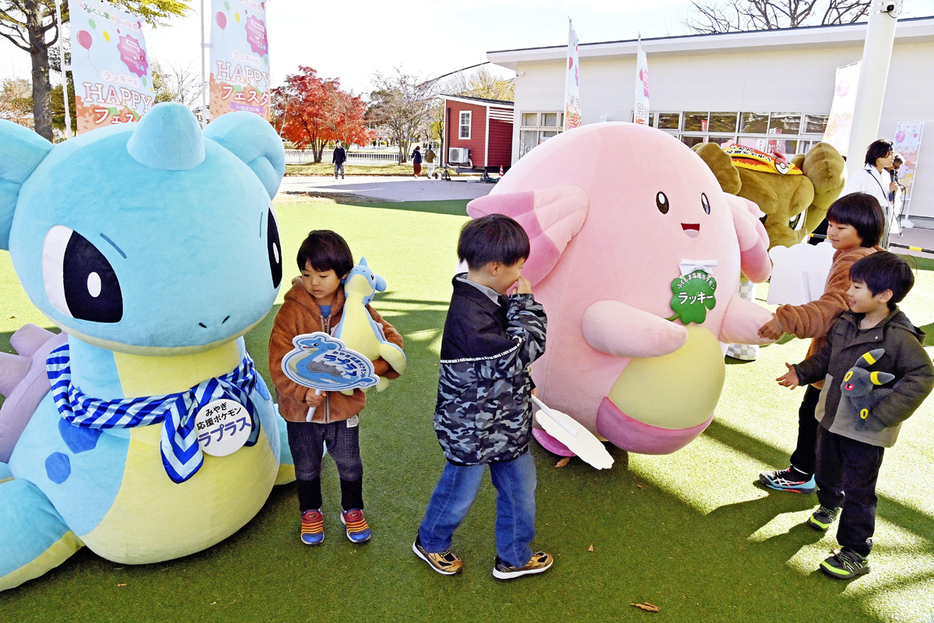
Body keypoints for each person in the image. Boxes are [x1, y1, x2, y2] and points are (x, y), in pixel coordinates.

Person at [776, 252, 933, 579]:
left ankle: (855, 552)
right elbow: (827, 358)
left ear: (884, 295)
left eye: (857, 286)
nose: (849, 291)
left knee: (859, 489)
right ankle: (829, 503)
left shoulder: (899, 337)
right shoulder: (846, 321)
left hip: (866, 430)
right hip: (832, 418)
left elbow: (922, 375)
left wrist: (882, 415)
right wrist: (801, 373)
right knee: (828, 470)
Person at [413, 214, 553, 580]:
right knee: (458, 493)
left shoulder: (482, 297)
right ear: (495, 267)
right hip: (472, 431)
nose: (521, 272)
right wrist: (525, 303)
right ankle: (430, 541)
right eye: (518, 265)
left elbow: (507, 366)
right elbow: (524, 348)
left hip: (502, 424)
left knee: (521, 489)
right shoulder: (469, 317)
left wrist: (524, 384)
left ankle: (514, 556)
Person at [268, 230, 403, 546]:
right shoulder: (291, 310)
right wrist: (303, 393)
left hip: (345, 409)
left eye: (322, 274)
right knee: (306, 465)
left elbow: (391, 340)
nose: (313, 282)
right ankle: (310, 512)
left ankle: (352, 509)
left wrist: (373, 369)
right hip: (301, 412)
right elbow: (278, 361)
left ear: (343, 274)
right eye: (306, 274)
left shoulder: (358, 307)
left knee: (350, 463)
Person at [758, 193, 885, 494]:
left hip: (837, 359)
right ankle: (822, 479)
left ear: (864, 228)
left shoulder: (854, 260)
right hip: (854, 360)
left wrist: (785, 319)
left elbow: (834, 308)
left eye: (841, 227)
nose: (832, 232)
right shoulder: (869, 256)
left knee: (814, 417)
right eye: (830, 225)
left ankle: (804, 474)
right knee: (825, 420)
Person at [839, 139, 899, 246]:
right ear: (877, 155)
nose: (893, 157)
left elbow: (890, 201)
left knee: (881, 248)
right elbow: (846, 198)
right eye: (890, 154)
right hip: (868, 218)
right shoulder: (862, 175)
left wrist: (893, 192)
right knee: (868, 248)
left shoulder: (886, 176)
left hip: (883, 217)